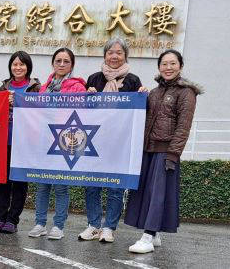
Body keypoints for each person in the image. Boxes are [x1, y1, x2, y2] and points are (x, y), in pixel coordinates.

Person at [124, 49, 203, 253]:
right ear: (159, 67)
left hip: (165, 150)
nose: (168, 68)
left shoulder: (186, 93)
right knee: (146, 193)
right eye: (164, 64)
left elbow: (183, 126)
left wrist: (173, 154)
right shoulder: (155, 92)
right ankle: (155, 234)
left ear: (180, 66)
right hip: (148, 150)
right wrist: (141, 96)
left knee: (158, 194)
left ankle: (147, 237)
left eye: (173, 63)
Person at [78, 38, 143, 243]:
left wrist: (142, 96)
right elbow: (85, 113)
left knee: (116, 186)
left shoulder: (133, 81)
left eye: (119, 53)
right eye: (110, 52)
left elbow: (137, 112)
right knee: (92, 185)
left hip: (119, 143)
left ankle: (109, 228)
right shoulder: (94, 79)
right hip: (95, 140)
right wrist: (88, 97)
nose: (114, 56)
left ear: (125, 56)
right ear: (104, 55)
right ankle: (94, 225)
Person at [28, 47, 86, 240]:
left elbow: (81, 112)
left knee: (61, 186)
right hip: (44, 141)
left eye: (66, 61)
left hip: (65, 140)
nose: (61, 64)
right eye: (58, 61)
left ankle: (58, 226)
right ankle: (40, 223)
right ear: (53, 63)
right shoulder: (45, 87)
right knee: (42, 184)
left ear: (72, 65)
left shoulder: (78, 87)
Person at [0, 51, 41, 234]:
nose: (18, 67)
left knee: (19, 182)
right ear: (10, 67)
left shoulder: (36, 88)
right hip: (3, 141)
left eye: (22, 64)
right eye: (15, 64)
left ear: (28, 67)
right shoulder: (3, 87)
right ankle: (0, 218)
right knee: (2, 181)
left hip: (25, 143)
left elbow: (40, 112)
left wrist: (23, 102)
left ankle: (13, 220)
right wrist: (4, 102)